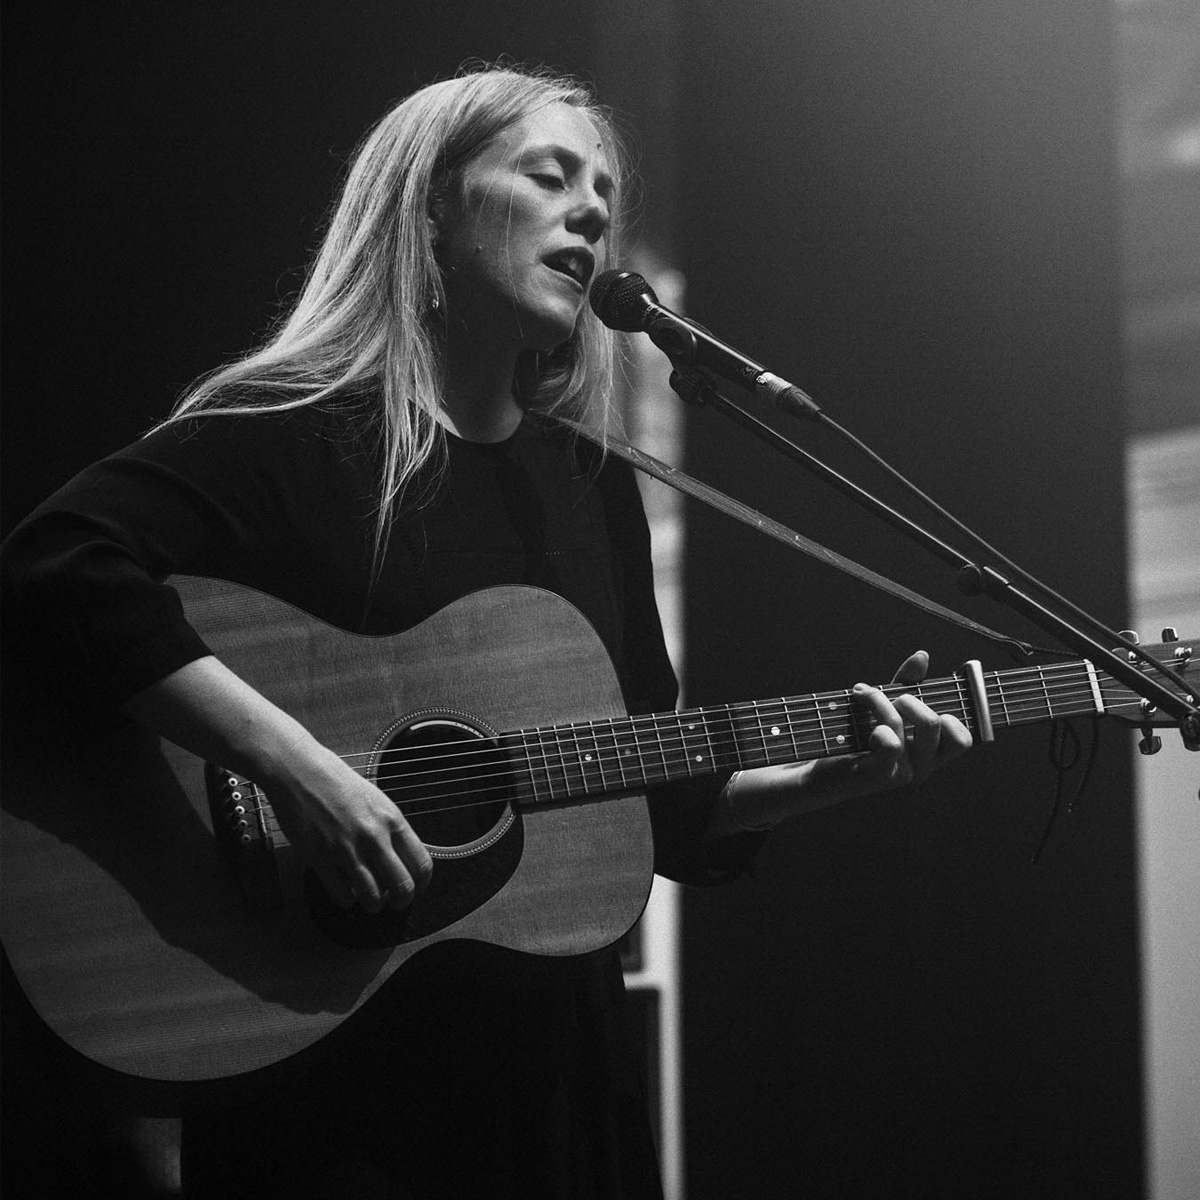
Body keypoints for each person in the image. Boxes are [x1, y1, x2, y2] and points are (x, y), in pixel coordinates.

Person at [0, 64, 971, 1199]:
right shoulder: (295, 437)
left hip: (555, 1084)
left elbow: (644, 793)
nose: (594, 211)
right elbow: (55, 565)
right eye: (550, 176)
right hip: (336, 1079)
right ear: (430, 212)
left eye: (604, 192)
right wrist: (298, 769)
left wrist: (826, 779)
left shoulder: (590, 483)